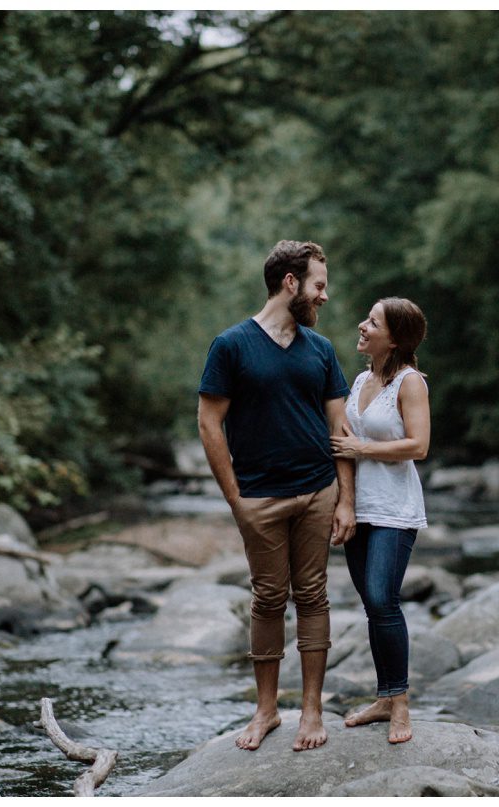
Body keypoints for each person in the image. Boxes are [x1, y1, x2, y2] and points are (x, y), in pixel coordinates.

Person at [197, 240, 356, 752]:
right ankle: (266, 710)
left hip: (317, 490)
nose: (324, 296)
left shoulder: (321, 349)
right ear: (291, 283)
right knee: (267, 599)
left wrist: (345, 498)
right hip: (259, 497)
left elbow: (340, 428)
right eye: (318, 285)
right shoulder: (231, 345)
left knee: (313, 596)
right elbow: (209, 422)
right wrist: (235, 499)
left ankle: (311, 710)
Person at [330, 297, 429, 745]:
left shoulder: (411, 383)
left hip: (395, 508)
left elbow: (419, 446)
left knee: (381, 598)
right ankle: (384, 697)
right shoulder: (360, 380)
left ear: (394, 339)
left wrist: (363, 448)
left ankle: (400, 701)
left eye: (373, 322)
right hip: (360, 506)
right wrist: (344, 502)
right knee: (373, 605)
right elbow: (342, 443)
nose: (362, 325)